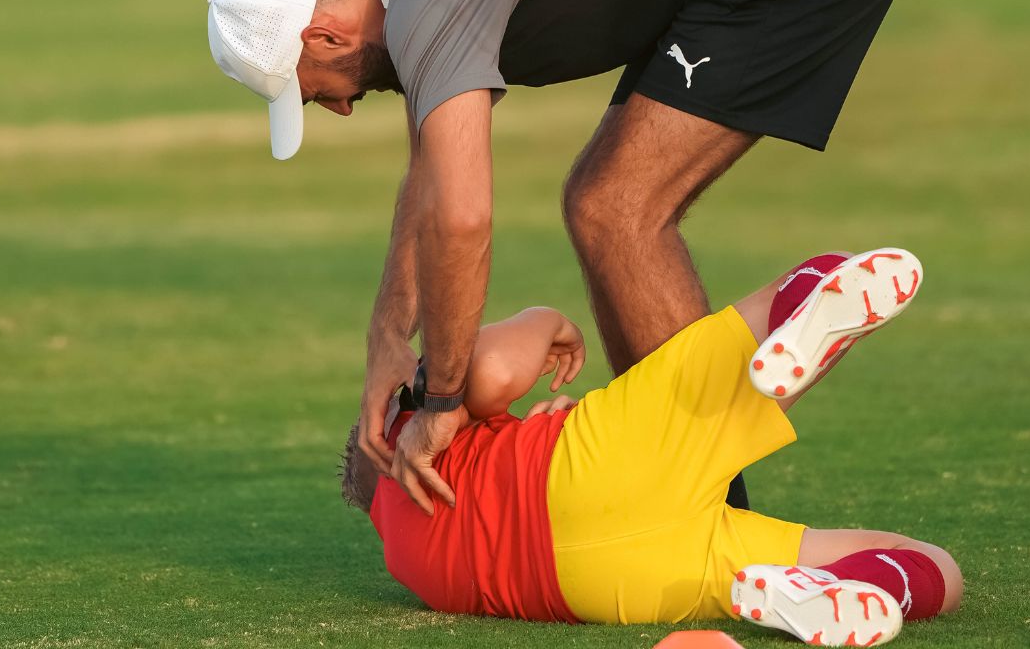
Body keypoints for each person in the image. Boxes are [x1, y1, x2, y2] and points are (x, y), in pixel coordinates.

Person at [205, 0, 917, 515]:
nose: (337, 105)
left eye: (310, 91)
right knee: (605, 204)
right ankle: (697, 495)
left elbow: (461, 216)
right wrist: (390, 335)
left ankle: (703, 514)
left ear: (325, 35)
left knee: (616, 207)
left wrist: (445, 399)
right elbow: (430, 167)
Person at [339, 248, 961, 646]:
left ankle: (792, 593)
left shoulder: (410, 568)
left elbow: (494, 533)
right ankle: (795, 336)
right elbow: (495, 372)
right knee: (829, 271)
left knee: (933, 568)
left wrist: (519, 428)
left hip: (612, 585)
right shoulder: (404, 428)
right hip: (589, 468)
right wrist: (549, 319)